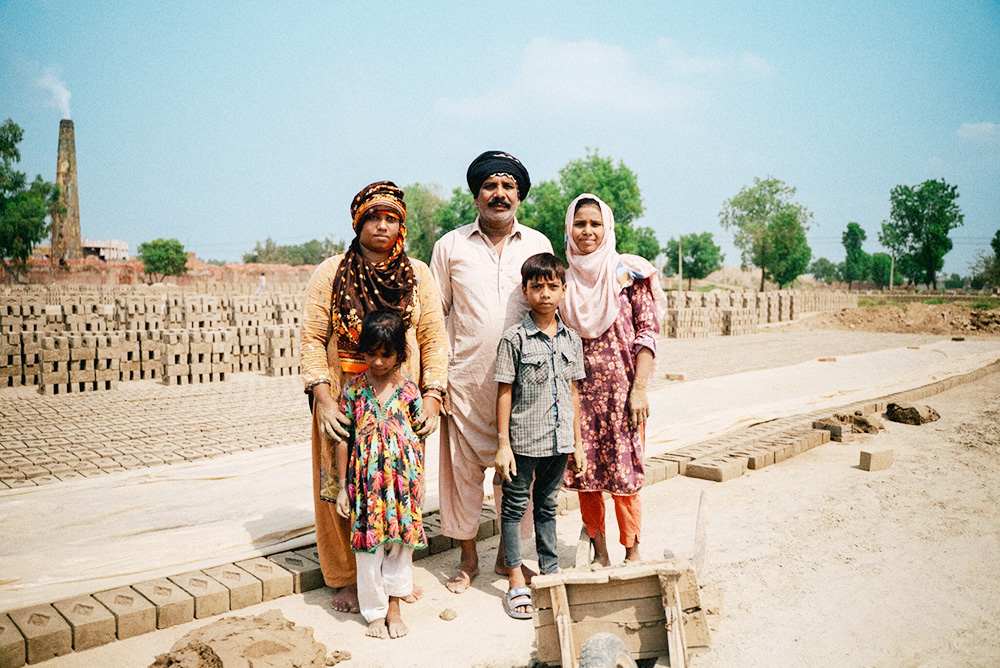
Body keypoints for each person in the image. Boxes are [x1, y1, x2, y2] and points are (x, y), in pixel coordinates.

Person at [301, 181, 447, 614]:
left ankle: (396, 578)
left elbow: (434, 338)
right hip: (344, 397)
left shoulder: (418, 274)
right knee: (341, 487)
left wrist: (434, 394)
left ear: (401, 225)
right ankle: (346, 578)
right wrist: (325, 399)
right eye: (373, 217)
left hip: (401, 400)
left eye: (391, 218)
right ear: (358, 221)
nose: (382, 226)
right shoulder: (331, 272)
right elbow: (312, 337)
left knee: (400, 485)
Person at [430, 151, 553, 593]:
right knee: (462, 476)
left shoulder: (538, 244)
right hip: (463, 384)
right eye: (490, 186)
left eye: (507, 187)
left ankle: (508, 557)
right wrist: (434, 382)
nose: (498, 194)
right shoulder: (451, 246)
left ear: (519, 195)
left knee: (516, 477)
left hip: (523, 389)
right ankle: (466, 561)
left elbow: (548, 311)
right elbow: (433, 315)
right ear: (476, 194)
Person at [560, 193, 667, 565]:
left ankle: (633, 552)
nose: (587, 231)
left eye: (595, 223)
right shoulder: (561, 280)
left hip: (623, 397)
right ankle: (600, 552)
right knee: (584, 476)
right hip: (577, 398)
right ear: (569, 229)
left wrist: (639, 389)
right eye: (580, 223)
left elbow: (647, 332)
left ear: (608, 227)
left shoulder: (627, 274)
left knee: (626, 477)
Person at [494, 253, 586, 618]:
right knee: (515, 507)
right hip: (523, 441)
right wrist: (504, 445)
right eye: (537, 287)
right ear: (525, 290)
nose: (544, 294)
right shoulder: (514, 339)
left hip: (560, 441)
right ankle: (515, 577)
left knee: (548, 507)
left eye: (552, 287)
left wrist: (577, 442)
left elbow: (574, 393)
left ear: (563, 291)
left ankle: (550, 573)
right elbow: (504, 391)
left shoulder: (571, 339)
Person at [334, 310, 425, 639]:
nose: (378, 361)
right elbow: (344, 438)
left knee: (400, 546)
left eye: (386, 354)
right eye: (371, 353)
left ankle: (395, 607)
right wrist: (344, 488)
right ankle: (375, 612)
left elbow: (420, 435)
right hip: (366, 486)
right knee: (369, 550)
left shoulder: (410, 392)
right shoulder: (354, 391)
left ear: (400, 354)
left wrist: (418, 481)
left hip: (402, 485)